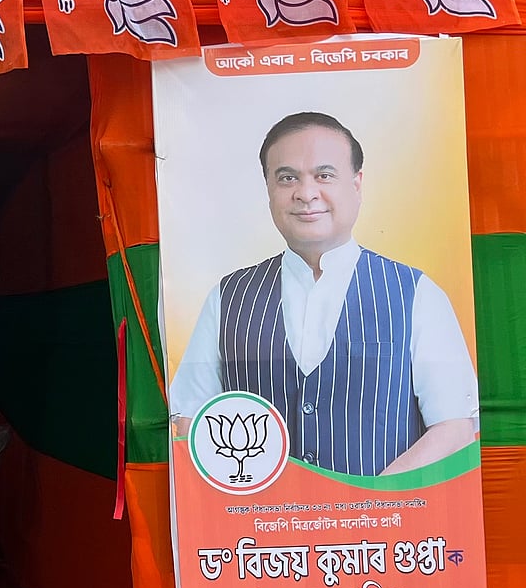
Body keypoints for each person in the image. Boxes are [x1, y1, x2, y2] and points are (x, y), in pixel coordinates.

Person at [169, 111, 478, 477]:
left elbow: (455, 428)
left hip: (385, 515)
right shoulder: (228, 298)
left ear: (357, 184)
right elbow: (190, 423)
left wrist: (373, 499)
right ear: (268, 189)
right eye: (287, 178)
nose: (306, 193)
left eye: (324, 175)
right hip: (260, 515)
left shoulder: (416, 293)